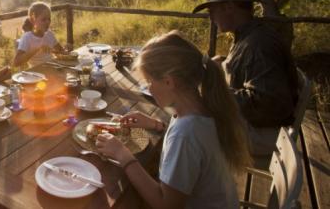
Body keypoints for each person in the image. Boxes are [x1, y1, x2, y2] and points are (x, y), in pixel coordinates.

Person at [96, 31, 251, 209]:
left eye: (148, 82)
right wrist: (155, 124)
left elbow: (165, 204)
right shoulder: (205, 107)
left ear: (169, 82)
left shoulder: (185, 134)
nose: (148, 88)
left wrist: (122, 155)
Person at [193, 0, 298, 155]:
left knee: (190, 126)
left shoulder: (258, 44)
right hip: (260, 127)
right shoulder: (250, 36)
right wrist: (225, 64)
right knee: (189, 113)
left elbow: (267, 104)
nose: (210, 17)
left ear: (228, 7)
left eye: (212, 10)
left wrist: (215, 92)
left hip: (266, 134)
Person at [12, 2, 65, 67]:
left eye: (49, 19)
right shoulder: (27, 37)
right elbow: (16, 63)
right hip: (36, 73)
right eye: (43, 19)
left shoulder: (49, 34)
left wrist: (65, 49)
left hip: (52, 68)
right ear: (33, 20)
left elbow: (60, 51)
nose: (47, 22)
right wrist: (37, 49)